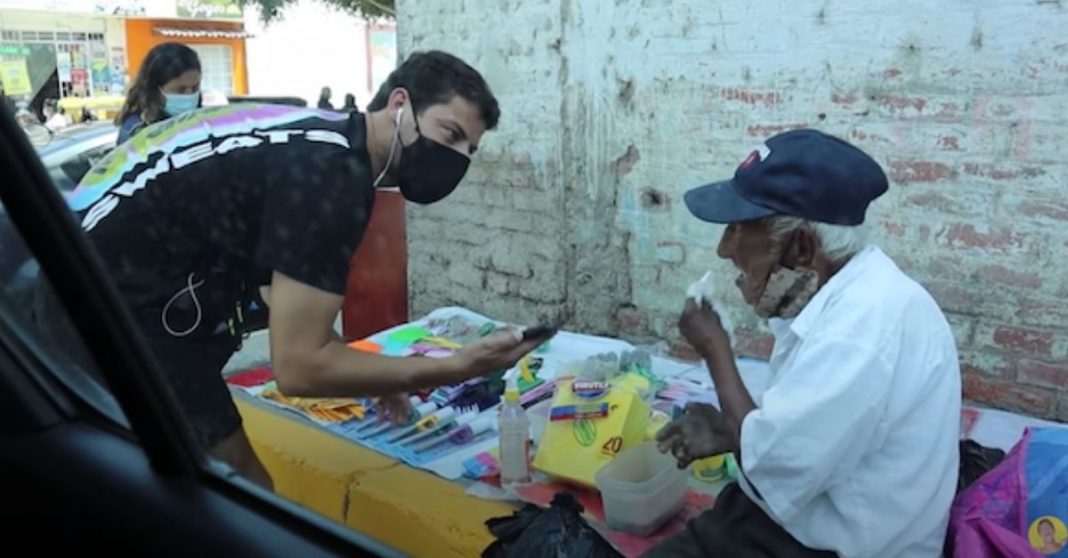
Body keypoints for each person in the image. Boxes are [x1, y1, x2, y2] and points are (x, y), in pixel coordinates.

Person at [53, 50, 542, 490]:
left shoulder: (321, 137)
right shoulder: (333, 176)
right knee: (246, 498)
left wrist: (381, 376)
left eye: (469, 151)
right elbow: (299, 367)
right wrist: (453, 367)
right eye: (450, 134)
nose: (456, 159)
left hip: (86, 285)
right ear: (400, 105)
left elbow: (288, 294)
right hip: (110, 315)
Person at [647, 129, 961, 557]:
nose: (725, 249)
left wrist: (715, 351)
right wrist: (734, 430)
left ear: (799, 246)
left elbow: (773, 469)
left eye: (740, 229)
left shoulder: (861, 330)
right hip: (791, 517)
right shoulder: (852, 290)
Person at [115, 42, 201, 144]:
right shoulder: (137, 133)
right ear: (156, 90)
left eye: (195, 88)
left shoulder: (202, 123)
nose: (189, 95)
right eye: (181, 90)